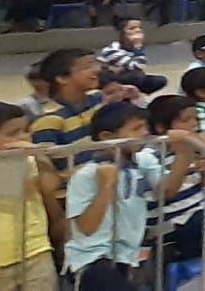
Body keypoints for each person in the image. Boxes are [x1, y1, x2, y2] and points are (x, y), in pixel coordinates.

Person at [63, 103, 189, 291]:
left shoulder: (143, 161)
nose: (145, 133)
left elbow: (168, 191)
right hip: (92, 259)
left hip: (126, 255)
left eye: (145, 126)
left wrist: (184, 153)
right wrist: (106, 187)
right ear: (107, 137)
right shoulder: (86, 174)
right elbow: (86, 228)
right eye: (136, 128)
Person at [0, 101, 65, 291]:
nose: (23, 137)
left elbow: (49, 185)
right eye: (13, 133)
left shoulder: (28, 161)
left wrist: (38, 154)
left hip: (34, 252)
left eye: (25, 131)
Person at [145, 95, 205, 260]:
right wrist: (184, 156)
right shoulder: (151, 155)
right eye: (186, 120)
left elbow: (196, 189)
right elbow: (168, 192)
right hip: (172, 221)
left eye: (195, 119)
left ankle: (178, 250)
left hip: (195, 212)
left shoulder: (189, 149)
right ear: (161, 127)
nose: (194, 124)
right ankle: (175, 252)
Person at [96, 19, 167, 95]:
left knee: (159, 80)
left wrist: (126, 67)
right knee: (136, 76)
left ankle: (132, 93)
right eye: (132, 28)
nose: (138, 30)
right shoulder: (112, 49)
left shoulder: (132, 49)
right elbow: (137, 66)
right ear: (123, 33)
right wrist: (138, 46)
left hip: (128, 77)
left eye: (140, 28)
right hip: (109, 79)